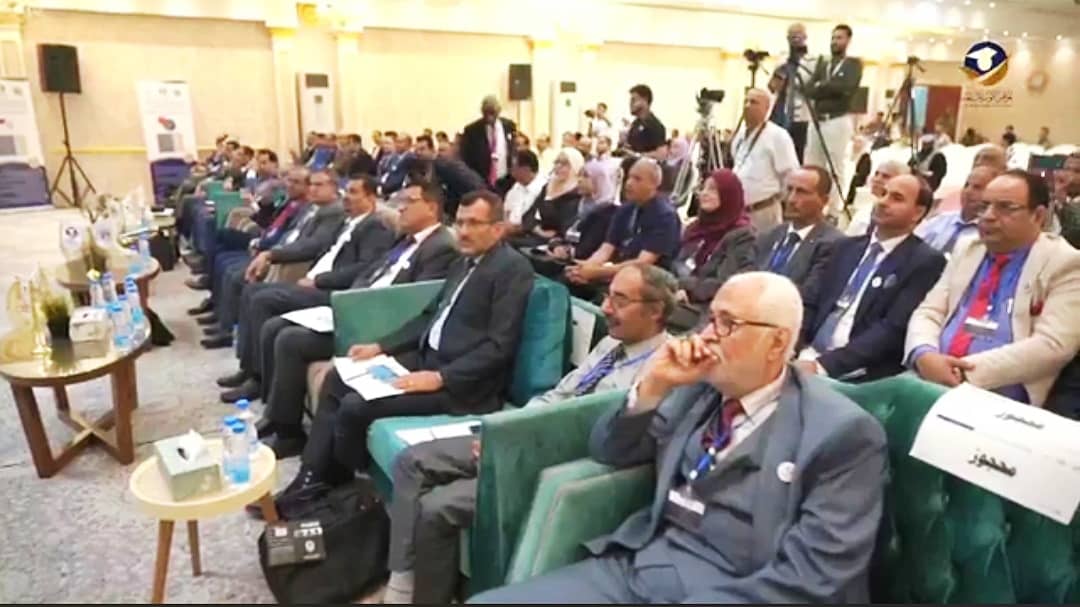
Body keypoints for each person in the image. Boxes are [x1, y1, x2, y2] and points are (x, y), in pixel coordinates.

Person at [470, 271, 887, 604]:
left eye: (728, 324)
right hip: (641, 567)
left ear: (777, 342)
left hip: (737, 589)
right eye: (710, 319)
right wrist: (653, 387)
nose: (706, 335)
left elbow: (813, 577)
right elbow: (610, 450)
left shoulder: (842, 433)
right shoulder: (698, 390)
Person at [383, 265, 676, 604]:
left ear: (655, 310)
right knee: (413, 460)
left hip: (554, 460)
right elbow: (560, 394)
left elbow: (610, 438)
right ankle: (401, 581)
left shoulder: (663, 371)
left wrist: (519, 443)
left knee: (438, 507)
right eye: (608, 296)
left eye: (620, 300)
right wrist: (509, 431)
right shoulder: (612, 343)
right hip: (523, 438)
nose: (606, 308)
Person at [266, 191, 534, 515]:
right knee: (337, 378)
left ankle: (349, 494)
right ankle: (312, 478)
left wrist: (440, 378)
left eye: (474, 223)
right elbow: (429, 317)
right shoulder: (466, 261)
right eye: (460, 222)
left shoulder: (511, 270)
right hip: (426, 360)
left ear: (498, 228)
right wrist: (381, 346)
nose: (463, 231)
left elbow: (499, 347)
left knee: (355, 407)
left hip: (463, 387)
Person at [252, 182, 460, 458]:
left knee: (291, 340)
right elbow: (370, 274)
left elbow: (415, 303)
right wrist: (351, 300)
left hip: (377, 325)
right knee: (277, 325)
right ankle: (276, 415)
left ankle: (289, 433)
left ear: (431, 208)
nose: (400, 208)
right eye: (401, 201)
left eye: (409, 202)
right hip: (357, 309)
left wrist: (362, 313)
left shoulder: (441, 247)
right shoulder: (405, 240)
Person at [906, 170, 1080, 406]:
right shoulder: (969, 248)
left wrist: (962, 373)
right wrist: (923, 353)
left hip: (997, 398)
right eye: (984, 206)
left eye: (1005, 208)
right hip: (928, 377)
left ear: (1038, 216)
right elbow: (929, 311)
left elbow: (1052, 346)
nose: (988, 216)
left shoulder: (1065, 263)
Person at [217, 175, 396, 402]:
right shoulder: (347, 221)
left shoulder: (375, 227)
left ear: (370, 198)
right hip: (311, 280)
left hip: (330, 290)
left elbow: (363, 268)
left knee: (263, 300)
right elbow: (323, 249)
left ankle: (258, 380)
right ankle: (249, 369)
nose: (346, 198)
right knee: (253, 291)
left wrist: (319, 280)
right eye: (347, 192)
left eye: (354, 193)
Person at [797, 174, 945, 381]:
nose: (883, 202)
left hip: (858, 371)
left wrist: (823, 365)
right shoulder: (844, 247)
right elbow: (810, 301)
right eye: (883, 194)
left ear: (918, 213)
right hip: (807, 353)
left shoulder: (924, 262)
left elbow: (891, 330)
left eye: (896, 198)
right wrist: (793, 346)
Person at [202, 169, 346, 349]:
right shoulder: (310, 207)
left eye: (319, 185)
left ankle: (230, 333)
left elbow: (312, 245)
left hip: (291, 262)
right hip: (275, 248)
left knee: (240, 278)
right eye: (311, 184)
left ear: (334, 187)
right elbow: (284, 231)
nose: (313, 189)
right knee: (227, 259)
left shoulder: (333, 212)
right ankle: (225, 322)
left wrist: (272, 254)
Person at [565, 159, 681, 300]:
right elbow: (606, 248)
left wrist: (596, 272)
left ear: (654, 184)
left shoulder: (665, 216)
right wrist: (585, 268)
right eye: (629, 177)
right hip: (617, 273)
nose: (629, 183)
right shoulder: (626, 209)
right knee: (566, 279)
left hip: (648, 284)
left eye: (637, 179)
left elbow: (642, 263)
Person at [669, 169, 757, 331]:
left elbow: (725, 282)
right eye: (703, 188)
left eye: (713, 189)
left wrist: (687, 290)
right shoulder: (695, 228)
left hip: (706, 307)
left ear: (729, 195)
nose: (704, 194)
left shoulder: (742, 235)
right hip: (675, 293)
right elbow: (675, 263)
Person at [803, 24, 864, 217]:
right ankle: (811, 203)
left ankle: (834, 210)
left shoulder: (853, 64)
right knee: (812, 164)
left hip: (837, 120)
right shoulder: (824, 63)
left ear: (848, 41)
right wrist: (828, 87)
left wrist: (822, 87)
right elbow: (809, 89)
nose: (835, 42)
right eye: (833, 38)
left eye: (839, 38)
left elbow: (846, 88)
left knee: (835, 166)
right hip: (817, 120)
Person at [757, 166, 844, 293]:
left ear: (823, 200)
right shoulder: (770, 235)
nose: (791, 199)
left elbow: (810, 294)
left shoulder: (833, 245)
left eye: (802, 192)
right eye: (789, 190)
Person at [731, 88, 800, 233]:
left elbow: (791, 175)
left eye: (754, 102)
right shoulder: (740, 135)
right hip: (739, 213)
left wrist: (777, 200)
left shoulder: (778, 136)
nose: (747, 106)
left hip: (764, 211)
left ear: (766, 108)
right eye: (746, 101)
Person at [916, 165, 1002, 256]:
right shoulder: (940, 220)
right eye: (966, 185)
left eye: (977, 187)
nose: (968, 191)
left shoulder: (989, 233)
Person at [514, 148, 585, 248]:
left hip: (554, 244)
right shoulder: (548, 187)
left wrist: (546, 234)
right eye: (556, 162)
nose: (558, 166)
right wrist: (537, 229)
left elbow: (565, 228)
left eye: (564, 164)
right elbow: (529, 214)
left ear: (575, 167)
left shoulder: (576, 193)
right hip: (536, 235)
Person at [768, 23, 816, 162]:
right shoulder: (782, 59)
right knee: (777, 152)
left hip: (803, 116)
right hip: (780, 114)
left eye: (798, 35)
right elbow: (772, 87)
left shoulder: (812, 61)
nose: (795, 39)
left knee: (797, 155)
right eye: (792, 36)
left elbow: (813, 87)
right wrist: (780, 75)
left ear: (805, 37)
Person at [460, 95, 518, 194]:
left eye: (492, 112)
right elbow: (466, 158)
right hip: (481, 183)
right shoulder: (471, 130)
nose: (489, 116)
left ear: (499, 111)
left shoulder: (509, 126)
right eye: (486, 112)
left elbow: (514, 149)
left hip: (506, 181)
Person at [845, 160, 910, 236]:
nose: (877, 179)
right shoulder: (865, 210)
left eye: (885, 176)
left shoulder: (899, 217)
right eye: (876, 174)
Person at [503, 150, 547, 227]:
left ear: (526, 169)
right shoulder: (516, 187)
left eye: (514, 169)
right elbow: (506, 210)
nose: (512, 173)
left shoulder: (543, 189)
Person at [624, 84, 666, 158]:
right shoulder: (636, 123)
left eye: (633, 100)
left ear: (645, 100)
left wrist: (637, 156)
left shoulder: (655, 125)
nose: (630, 104)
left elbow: (661, 154)